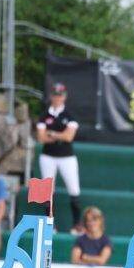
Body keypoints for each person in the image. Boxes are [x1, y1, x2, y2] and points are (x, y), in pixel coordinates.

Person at [36, 82, 82, 227]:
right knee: (48, 192)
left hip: (66, 157)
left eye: (60, 95)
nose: (57, 98)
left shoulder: (70, 115)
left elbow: (69, 137)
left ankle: (76, 225)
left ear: (64, 97)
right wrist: (60, 135)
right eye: (55, 95)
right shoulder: (44, 115)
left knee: (74, 190)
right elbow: (41, 138)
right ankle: (51, 225)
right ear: (51, 96)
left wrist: (52, 133)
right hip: (48, 156)